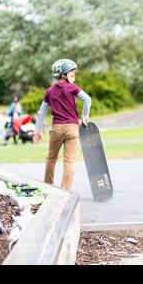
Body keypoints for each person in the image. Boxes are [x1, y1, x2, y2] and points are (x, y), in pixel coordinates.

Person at [33, 59, 91, 190]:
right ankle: (65, 191)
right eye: (72, 72)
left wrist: (37, 130)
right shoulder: (72, 88)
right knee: (69, 161)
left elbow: (41, 113)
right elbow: (87, 99)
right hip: (72, 128)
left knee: (51, 158)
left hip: (57, 128)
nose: (74, 74)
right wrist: (85, 116)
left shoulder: (49, 91)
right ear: (63, 74)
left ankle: (48, 186)